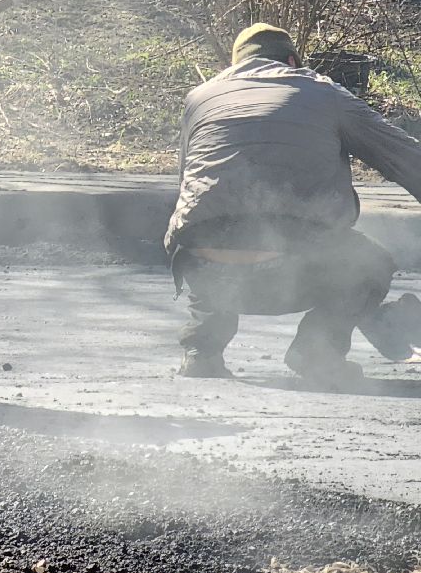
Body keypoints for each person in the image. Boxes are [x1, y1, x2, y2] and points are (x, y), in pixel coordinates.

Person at [166, 23, 421, 389]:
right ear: (291, 60)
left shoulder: (200, 97)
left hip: (206, 270)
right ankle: (317, 353)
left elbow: (188, 190)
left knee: (211, 227)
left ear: (237, 63)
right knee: (372, 263)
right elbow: (406, 159)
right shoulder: (324, 93)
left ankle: (201, 352)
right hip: (286, 269)